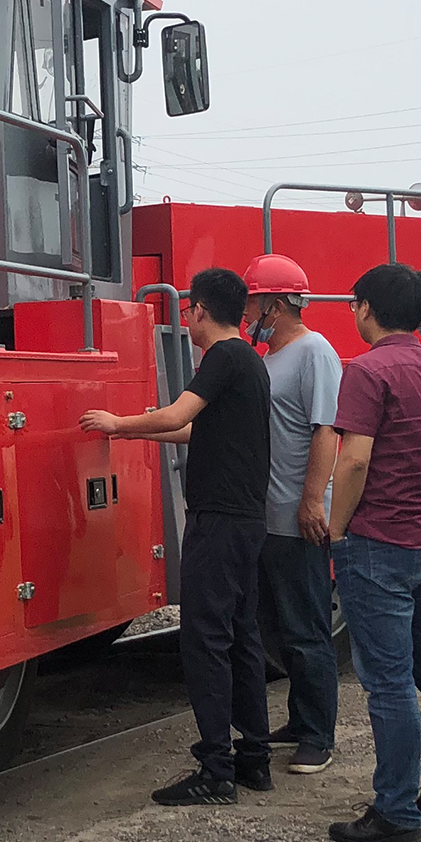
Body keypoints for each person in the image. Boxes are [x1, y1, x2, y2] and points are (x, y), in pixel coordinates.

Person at [83, 266, 273, 805]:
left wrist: (118, 425)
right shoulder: (250, 364)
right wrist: (150, 428)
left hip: (218, 519)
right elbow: (194, 428)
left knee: (205, 638)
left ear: (200, 311)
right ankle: (253, 758)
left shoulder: (222, 357)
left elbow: (180, 411)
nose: (185, 319)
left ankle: (217, 769)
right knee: (241, 635)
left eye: (188, 311)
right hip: (246, 519)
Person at [324, 262, 421, 842]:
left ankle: (395, 810)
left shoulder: (364, 372)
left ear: (365, 307)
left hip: (376, 545)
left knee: (388, 682)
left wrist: (338, 531)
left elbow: (355, 459)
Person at [242, 253, 342, 776]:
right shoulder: (265, 357)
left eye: (253, 301)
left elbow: (327, 430)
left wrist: (311, 500)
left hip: (296, 516)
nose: (248, 311)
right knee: (275, 625)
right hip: (264, 516)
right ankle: (300, 720)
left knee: (305, 627)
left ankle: (318, 734)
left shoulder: (314, 353)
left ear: (275, 305)